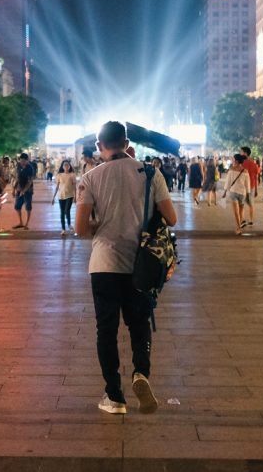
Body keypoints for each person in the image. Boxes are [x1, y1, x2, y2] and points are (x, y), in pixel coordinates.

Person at [75, 121, 177, 416]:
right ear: (127, 142)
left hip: (104, 264)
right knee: (139, 323)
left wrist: (102, 225)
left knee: (106, 329)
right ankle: (140, 373)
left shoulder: (90, 177)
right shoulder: (150, 172)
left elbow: (81, 228)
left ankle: (114, 397)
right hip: (140, 265)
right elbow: (171, 218)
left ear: (99, 146)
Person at [223, 153, 250, 234]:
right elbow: (247, 184)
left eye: (234, 159)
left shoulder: (231, 170)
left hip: (233, 192)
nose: (233, 161)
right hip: (242, 193)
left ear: (237, 161)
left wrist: (225, 192)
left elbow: (228, 182)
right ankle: (239, 225)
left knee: (236, 211)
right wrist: (248, 193)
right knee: (241, 211)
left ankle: (238, 228)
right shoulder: (245, 171)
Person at [52, 159, 77, 236]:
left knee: (67, 210)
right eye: (64, 165)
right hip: (61, 196)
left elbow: (74, 187)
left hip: (69, 196)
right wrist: (53, 197)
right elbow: (57, 187)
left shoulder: (72, 175)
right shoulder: (59, 175)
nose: (66, 166)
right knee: (62, 213)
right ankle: (63, 229)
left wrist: (75, 196)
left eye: (67, 165)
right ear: (62, 167)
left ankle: (69, 224)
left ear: (69, 166)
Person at [13, 153, 36, 229]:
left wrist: (24, 190)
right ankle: (20, 222)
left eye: (24, 161)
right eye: (21, 161)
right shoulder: (18, 166)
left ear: (27, 160)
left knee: (28, 207)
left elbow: (30, 181)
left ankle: (26, 224)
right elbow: (17, 178)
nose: (22, 162)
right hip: (19, 189)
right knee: (17, 206)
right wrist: (13, 189)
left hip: (28, 190)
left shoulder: (30, 168)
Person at [240, 147, 260, 227]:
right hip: (251, 187)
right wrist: (256, 190)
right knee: (251, 204)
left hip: (242, 187)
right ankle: (251, 221)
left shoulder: (241, 164)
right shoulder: (254, 164)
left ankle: (243, 220)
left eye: (241, 152)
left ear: (245, 153)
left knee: (241, 204)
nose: (240, 153)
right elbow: (256, 177)